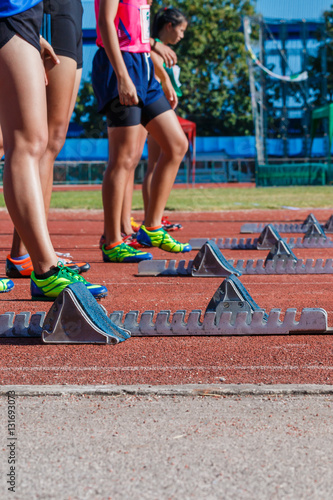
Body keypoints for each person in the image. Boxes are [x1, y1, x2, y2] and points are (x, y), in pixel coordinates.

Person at [0, 1, 107, 300]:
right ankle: (46, 270)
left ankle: (44, 264)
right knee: (27, 143)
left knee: (32, 141)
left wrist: (33, 36)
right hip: (10, 14)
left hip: (22, 16)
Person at [93, 0, 191, 263]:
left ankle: (153, 227)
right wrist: (122, 76)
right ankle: (112, 241)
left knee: (176, 145)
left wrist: (162, 73)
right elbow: (105, 24)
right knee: (124, 159)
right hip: (121, 65)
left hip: (144, 65)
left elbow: (139, 30)